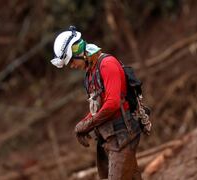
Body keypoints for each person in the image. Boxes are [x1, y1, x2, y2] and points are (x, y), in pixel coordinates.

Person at [50, 26, 142, 180]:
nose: (72, 66)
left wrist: (89, 124)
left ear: (78, 50)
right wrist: (82, 124)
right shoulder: (91, 73)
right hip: (109, 140)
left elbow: (112, 103)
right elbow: (98, 108)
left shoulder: (107, 64)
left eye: (71, 61)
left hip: (123, 136)